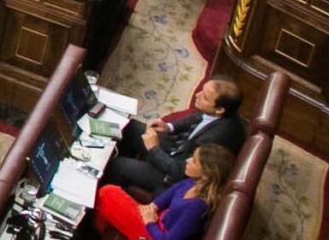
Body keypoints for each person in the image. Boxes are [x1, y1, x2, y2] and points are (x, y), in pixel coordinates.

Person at [103, 77, 244, 197]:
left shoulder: (212, 140)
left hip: (173, 177)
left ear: (219, 109)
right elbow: (199, 117)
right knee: (130, 127)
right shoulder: (222, 113)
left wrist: (153, 149)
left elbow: (180, 170)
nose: (197, 95)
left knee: (117, 165)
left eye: (205, 97)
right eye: (201, 90)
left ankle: (105, 198)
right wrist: (169, 127)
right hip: (179, 149)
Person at [95, 143, 228, 240]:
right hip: (155, 219)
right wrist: (154, 206)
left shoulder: (197, 207)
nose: (187, 160)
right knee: (110, 195)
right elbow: (173, 190)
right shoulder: (193, 181)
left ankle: (94, 237)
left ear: (206, 175)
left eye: (194, 161)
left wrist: (150, 222)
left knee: (107, 192)